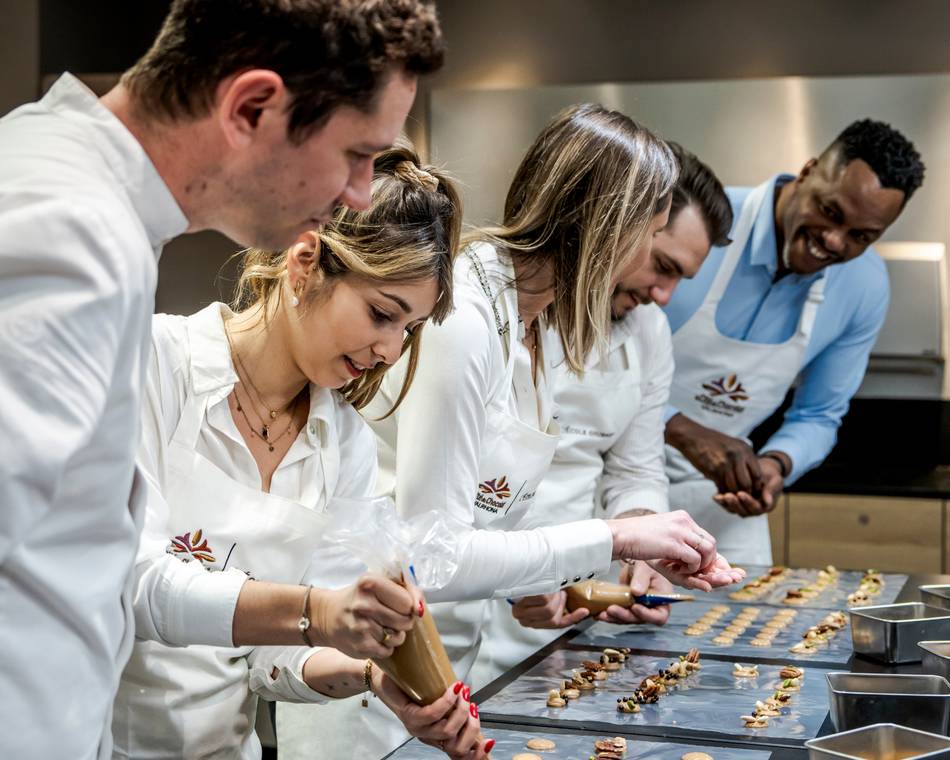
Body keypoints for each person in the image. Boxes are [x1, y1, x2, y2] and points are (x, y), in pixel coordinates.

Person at [0, 1, 444, 757]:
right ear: (254, 106)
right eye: (357, 155)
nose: (361, 194)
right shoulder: (69, 226)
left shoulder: (84, 201)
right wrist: (312, 609)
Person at [279, 104, 744, 760]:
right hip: (367, 675)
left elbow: (482, 511)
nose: (653, 272)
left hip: (447, 662)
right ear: (608, 227)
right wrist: (613, 537)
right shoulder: (465, 317)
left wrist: (532, 583)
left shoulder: (542, 322)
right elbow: (430, 557)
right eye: (654, 237)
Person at [113, 147, 491, 760]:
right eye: (381, 314)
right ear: (305, 262)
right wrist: (317, 610)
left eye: (408, 330)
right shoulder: (158, 364)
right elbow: (136, 587)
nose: (391, 351)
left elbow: (271, 661)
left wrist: (374, 676)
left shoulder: (342, 440)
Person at [472, 144, 735, 685]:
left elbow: (635, 467)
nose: (663, 294)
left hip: (562, 616)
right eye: (659, 264)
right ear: (617, 228)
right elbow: (441, 511)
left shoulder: (647, 332)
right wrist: (518, 578)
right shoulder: (494, 312)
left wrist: (645, 548)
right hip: (459, 604)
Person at [662, 119, 925, 565]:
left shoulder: (864, 285)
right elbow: (599, 364)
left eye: (862, 236)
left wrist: (776, 464)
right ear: (806, 172)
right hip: (617, 480)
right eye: (831, 211)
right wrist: (683, 430)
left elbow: (820, 415)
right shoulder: (701, 222)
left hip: (722, 501)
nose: (834, 241)